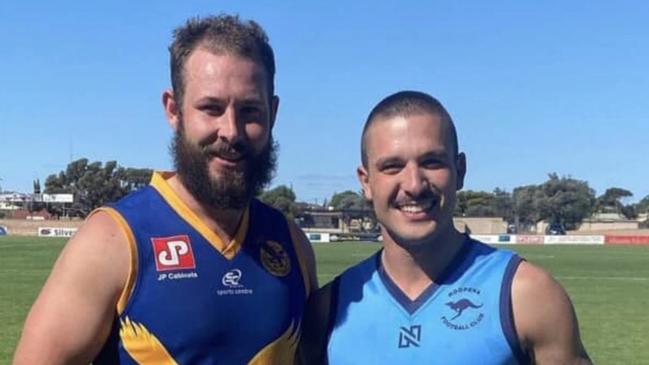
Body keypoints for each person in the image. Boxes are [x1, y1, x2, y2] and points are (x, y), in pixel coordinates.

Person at [14, 14, 317, 365]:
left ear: (273, 113)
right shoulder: (113, 240)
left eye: (250, 110)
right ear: (174, 110)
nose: (231, 131)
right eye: (211, 108)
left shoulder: (291, 244)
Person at [298, 91, 591, 364]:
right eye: (392, 166)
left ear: (459, 170)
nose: (414, 184)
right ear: (366, 182)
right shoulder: (329, 309)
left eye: (432, 162)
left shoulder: (526, 294)